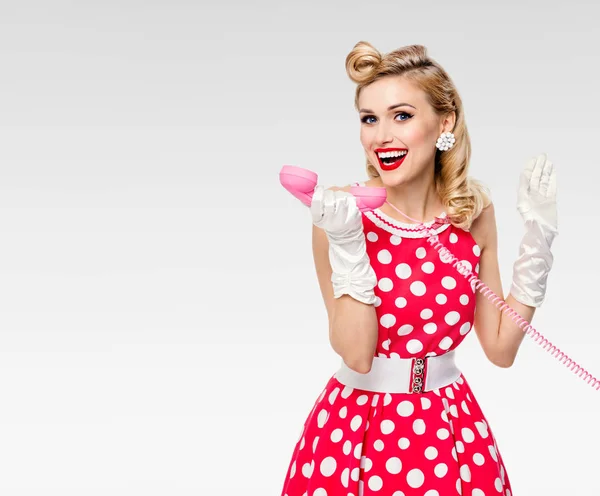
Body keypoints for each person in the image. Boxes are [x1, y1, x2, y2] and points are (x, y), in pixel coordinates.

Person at [279, 42, 558, 496]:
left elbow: (501, 350)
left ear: (444, 123)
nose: (380, 135)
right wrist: (349, 242)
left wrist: (538, 245)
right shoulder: (340, 212)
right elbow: (356, 355)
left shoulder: (473, 212)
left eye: (401, 115)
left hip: (451, 428)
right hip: (357, 432)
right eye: (369, 119)